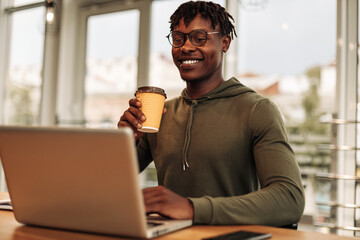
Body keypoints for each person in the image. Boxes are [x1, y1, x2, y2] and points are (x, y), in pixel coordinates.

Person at [118, 0, 304, 226]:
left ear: (224, 43)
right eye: (178, 38)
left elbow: (289, 198)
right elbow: (107, 187)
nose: (185, 47)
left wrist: (192, 208)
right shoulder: (161, 114)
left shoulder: (256, 110)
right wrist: (124, 143)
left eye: (199, 38)